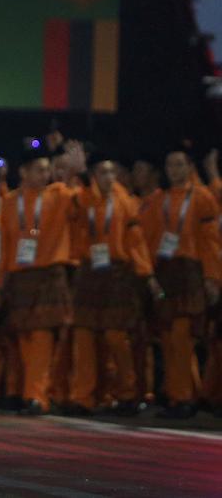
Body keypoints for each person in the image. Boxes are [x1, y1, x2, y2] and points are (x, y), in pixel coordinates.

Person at [67, 155, 159, 415]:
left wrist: (146, 273)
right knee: (84, 337)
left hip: (117, 274)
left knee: (116, 337)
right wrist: (80, 174)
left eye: (112, 172)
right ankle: (83, 397)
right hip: (89, 272)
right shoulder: (85, 198)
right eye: (102, 172)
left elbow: (136, 242)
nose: (108, 177)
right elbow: (77, 207)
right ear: (94, 175)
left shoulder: (126, 202)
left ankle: (126, 394)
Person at [0, 146, 82, 415]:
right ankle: (24, 391)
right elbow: (3, 246)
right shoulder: (9, 202)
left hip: (47, 274)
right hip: (19, 276)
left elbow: (86, 201)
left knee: (43, 337)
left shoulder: (59, 195)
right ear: (23, 172)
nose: (45, 174)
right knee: (21, 338)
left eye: (47, 169)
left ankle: (37, 395)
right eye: (39, 169)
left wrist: (77, 172)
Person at [139, 148, 222, 417]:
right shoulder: (158, 200)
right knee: (169, 339)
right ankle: (182, 395)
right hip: (165, 275)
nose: (174, 170)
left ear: (189, 167)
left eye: (179, 164)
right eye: (169, 164)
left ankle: (183, 398)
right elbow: (147, 240)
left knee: (183, 338)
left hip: (190, 274)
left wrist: (212, 277)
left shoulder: (202, 198)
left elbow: (210, 243)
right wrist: (149, 275)